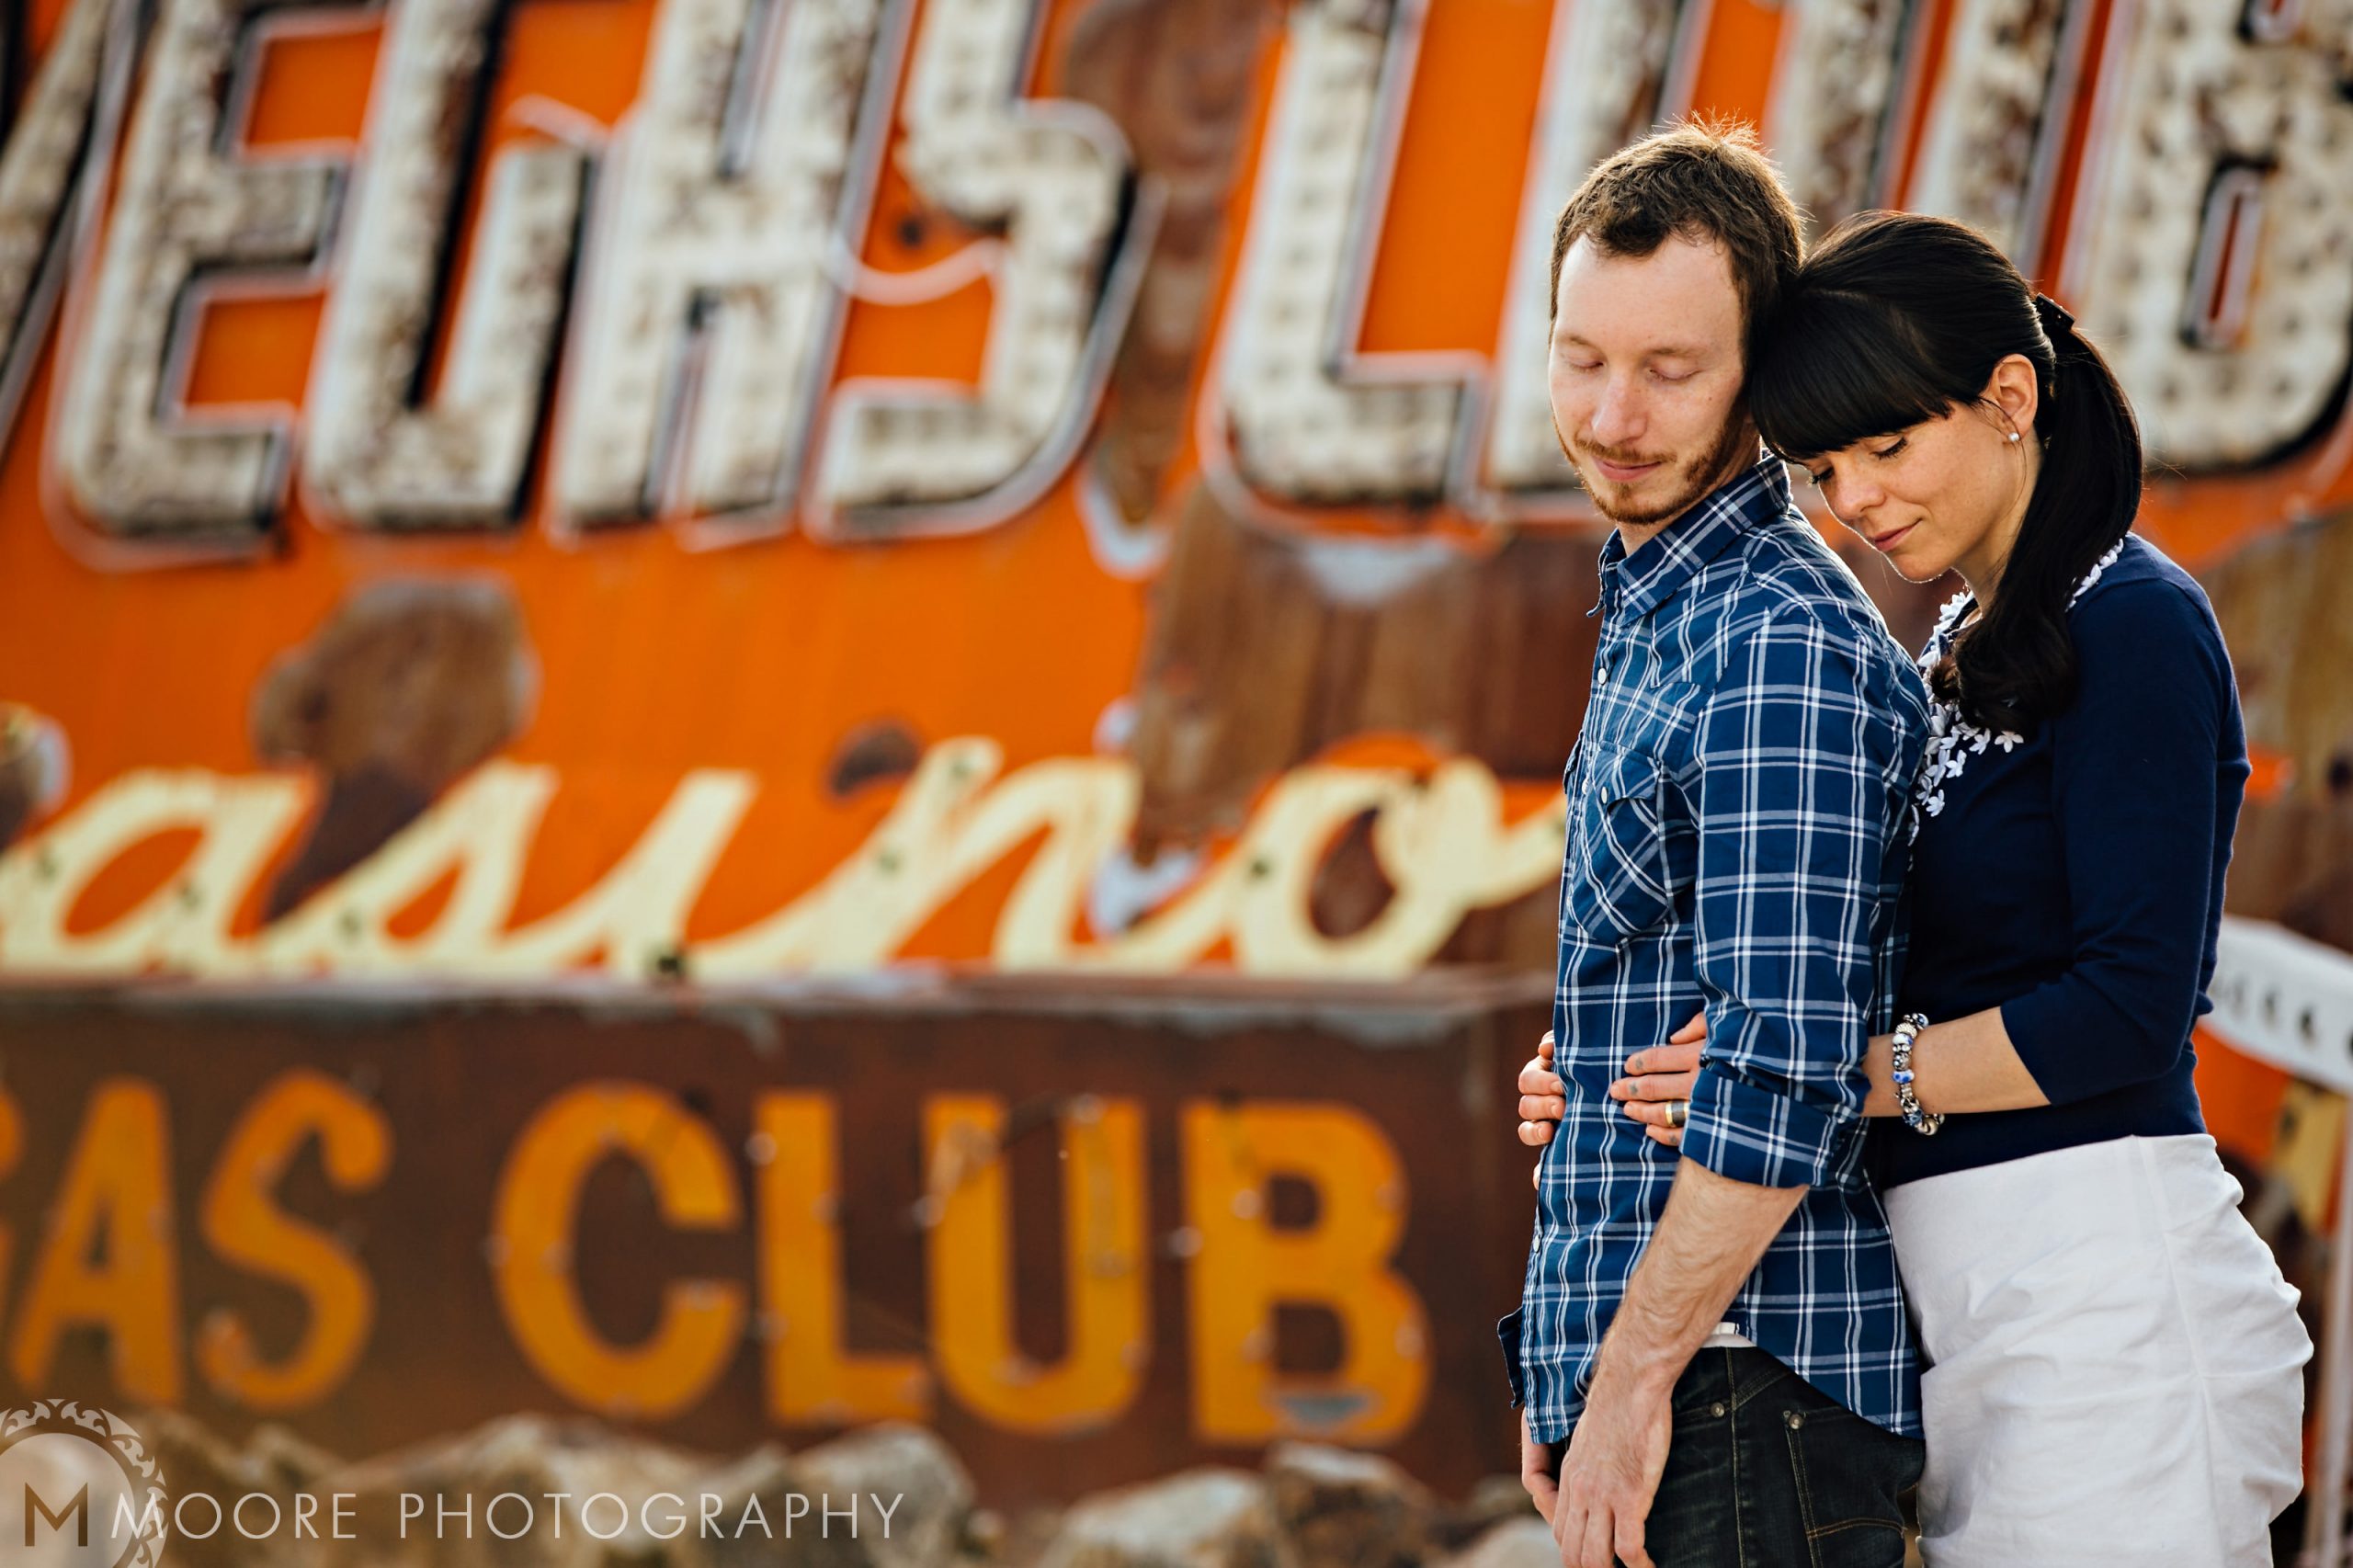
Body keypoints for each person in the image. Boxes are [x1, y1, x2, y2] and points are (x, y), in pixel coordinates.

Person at [1518, 210, 2312, 1565]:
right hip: (1958, 1303)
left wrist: (1834, 1073)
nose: (1860, 500)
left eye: (1890, 445)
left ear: (2011, 397)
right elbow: (1848, 950)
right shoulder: (1963, 641)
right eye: (1826, 466)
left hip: (2099, 1285)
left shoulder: (2137, 619)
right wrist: (1615, 1072)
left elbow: (2130, 1007)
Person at [1496, 122, 1931, 1568]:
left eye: (1671, 370)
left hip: (1744, 1393)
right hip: (1689, 1381)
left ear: (1764, 373)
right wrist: (1569, 1342)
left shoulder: (1772, 644)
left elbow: (1782, 1073)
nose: (1614, 415)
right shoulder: (1666, 609)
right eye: (1580, 358)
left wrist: (1625, 1389)